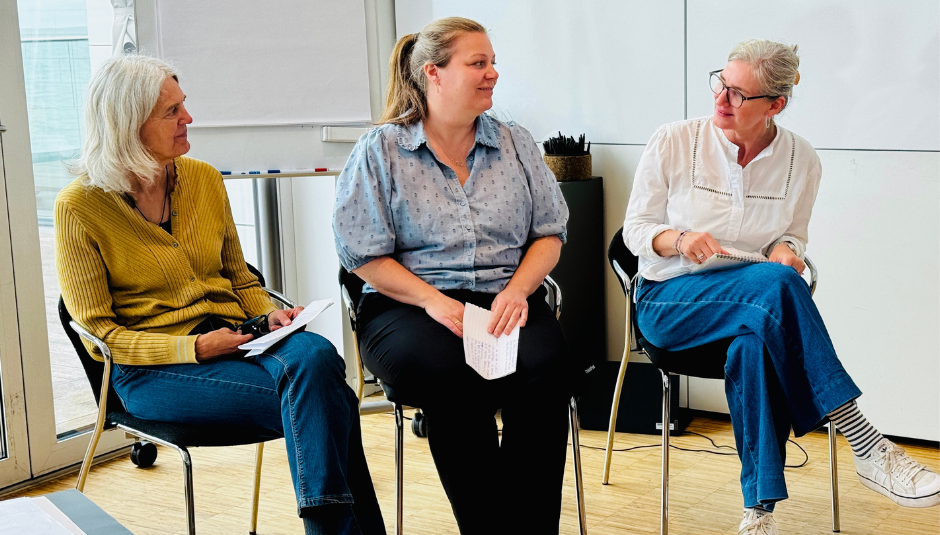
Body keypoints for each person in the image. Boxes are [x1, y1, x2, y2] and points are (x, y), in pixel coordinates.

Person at [55, 54, 385, 535]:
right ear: (128, 124)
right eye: (171, 111)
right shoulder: (79, 207)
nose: (188, 118)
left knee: (315, 353)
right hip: (153, 372)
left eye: (183, 105)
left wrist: (270, 316)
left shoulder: (204, 179)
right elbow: (100, 335)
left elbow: (240, 278)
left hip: (238, 340)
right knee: (327, 400)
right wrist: (195, 347)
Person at [622, 39, 939, 535]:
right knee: (777, 286)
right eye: (721, 84)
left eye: (738, 94)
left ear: (775, 105)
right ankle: (865, 442)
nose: (721, 99)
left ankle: (759, 514)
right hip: (670, 302)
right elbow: (635, 230)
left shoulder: (801, 159)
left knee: (755, 342)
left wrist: (787, 248)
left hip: (755, 305)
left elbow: (793, 234)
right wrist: (678, 239)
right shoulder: (674, 140)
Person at [332, 17, 573, 535]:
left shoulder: (515, 143)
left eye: (492, 62)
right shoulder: (381, 150)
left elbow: (550, 233)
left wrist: (518, 290)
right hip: (407, 305)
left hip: (504, 296)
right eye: (478, 63)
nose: (493, 73)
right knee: (451, 376)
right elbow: (362, 254)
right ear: (433, 73)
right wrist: (431, 301)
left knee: (546, 373)